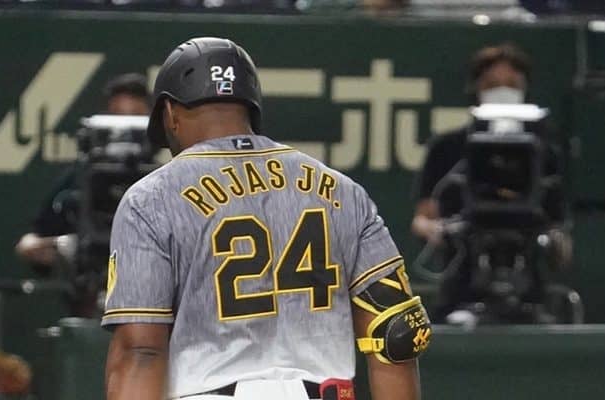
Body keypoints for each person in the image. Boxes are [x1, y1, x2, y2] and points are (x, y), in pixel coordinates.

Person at [102, 37, 430, 400]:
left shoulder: (151, 198)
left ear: (169, 114)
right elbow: (397, 333)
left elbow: (140, 350)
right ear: (251, 106)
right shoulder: (341, 191)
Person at [411, 43, 570, 322]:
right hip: (462, 281)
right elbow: (422, 219)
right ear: (475, 88)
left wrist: (555, 244)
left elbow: (561, 232)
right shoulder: (447, 147)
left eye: (512, 84)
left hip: (528, 287)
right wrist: (439, 231)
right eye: (492, 84)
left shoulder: (544, 151)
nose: (503, 91)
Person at [14, 73, 151, 317]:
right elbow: (29, 243)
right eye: (118, 118)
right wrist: (64, 248)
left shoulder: (166, 178)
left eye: (135, 118)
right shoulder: (81, 178)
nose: (125, 130)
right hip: (89, 302)